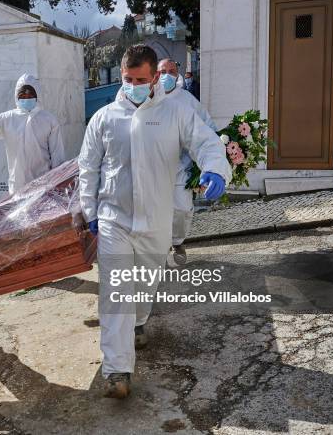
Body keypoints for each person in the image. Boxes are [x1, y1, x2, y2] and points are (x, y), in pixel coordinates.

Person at [79, 45, 231, 399]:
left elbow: (206, 142)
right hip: (114, 219)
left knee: (143, 289)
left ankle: (138, 323)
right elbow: (88, 168)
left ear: (155, 79)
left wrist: (214, 169)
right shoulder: (104, 118)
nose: (132, 85)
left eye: (140, 80)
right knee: (116, 292)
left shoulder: (175, 111)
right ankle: (117, 370)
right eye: (127, 79)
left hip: (157, 222)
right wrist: (90, 213)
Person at [159, 58, 217, 265]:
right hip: (153, 168)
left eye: (171, 71)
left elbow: (207, 125)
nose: (167, 75)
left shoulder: (187, 100)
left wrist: (217, 150)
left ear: (178, 73)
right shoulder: (149, 98)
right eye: (162, 71)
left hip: (180, 166)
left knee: (182, 208)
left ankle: (178, 242)